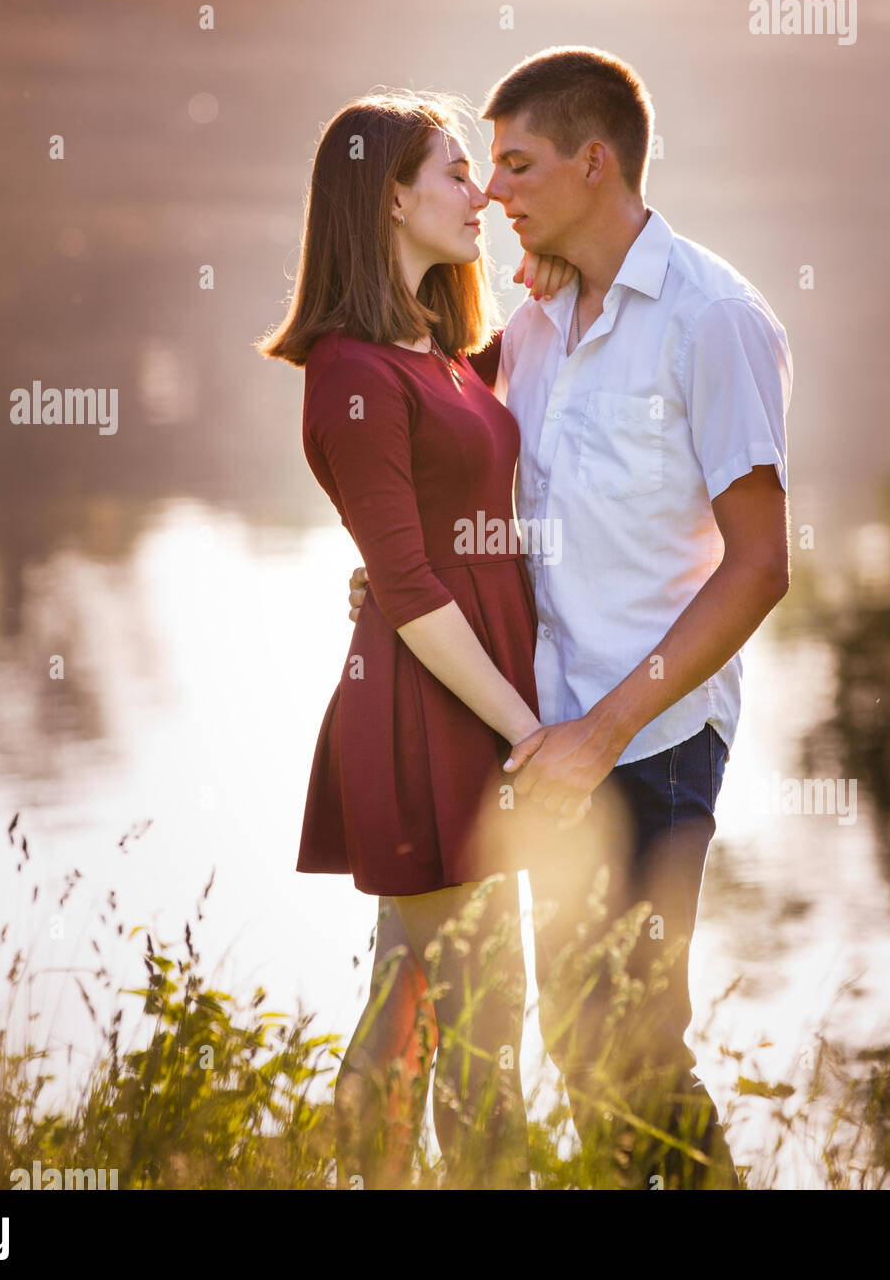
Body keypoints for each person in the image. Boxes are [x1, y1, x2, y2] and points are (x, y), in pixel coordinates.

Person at [347, 46, 793, 1189]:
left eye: (518, 164)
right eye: (483, 169)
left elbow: (757, 569)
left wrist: (601, 732)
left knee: (635, 1048)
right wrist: (395, 572)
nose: (494, 192)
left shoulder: (713, 318)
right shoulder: (535, 323)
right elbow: (453, 462)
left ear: (596, 163)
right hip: (544, 749)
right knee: (576, 1048)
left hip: (652, 742)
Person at [256, 90, 577, 1190]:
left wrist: (559, 275)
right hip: (435, 712)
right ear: (389, 197)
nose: (478, 191)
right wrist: (529, 733)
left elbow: (468, 470)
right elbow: (403, 582)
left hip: (473, 700)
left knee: (443, 999)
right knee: (454, 1004)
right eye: (453, 172)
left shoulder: (437, 351)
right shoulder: (352, 369)